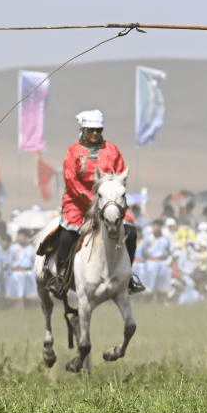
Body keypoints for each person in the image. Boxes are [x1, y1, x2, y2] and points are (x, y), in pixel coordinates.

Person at [50, 109, 143, 294]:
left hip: (108, 202)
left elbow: (120, 176)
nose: (94, 134)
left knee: (131, 233)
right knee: (67, 235)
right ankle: (60, 277)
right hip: (77, 201)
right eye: (91, 130)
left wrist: (109, 198)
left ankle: (128, 276)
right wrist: (91, 200)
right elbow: (70, 180)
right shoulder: (74, 151)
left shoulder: (112, 150)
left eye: (98, 130)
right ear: (83, 130)